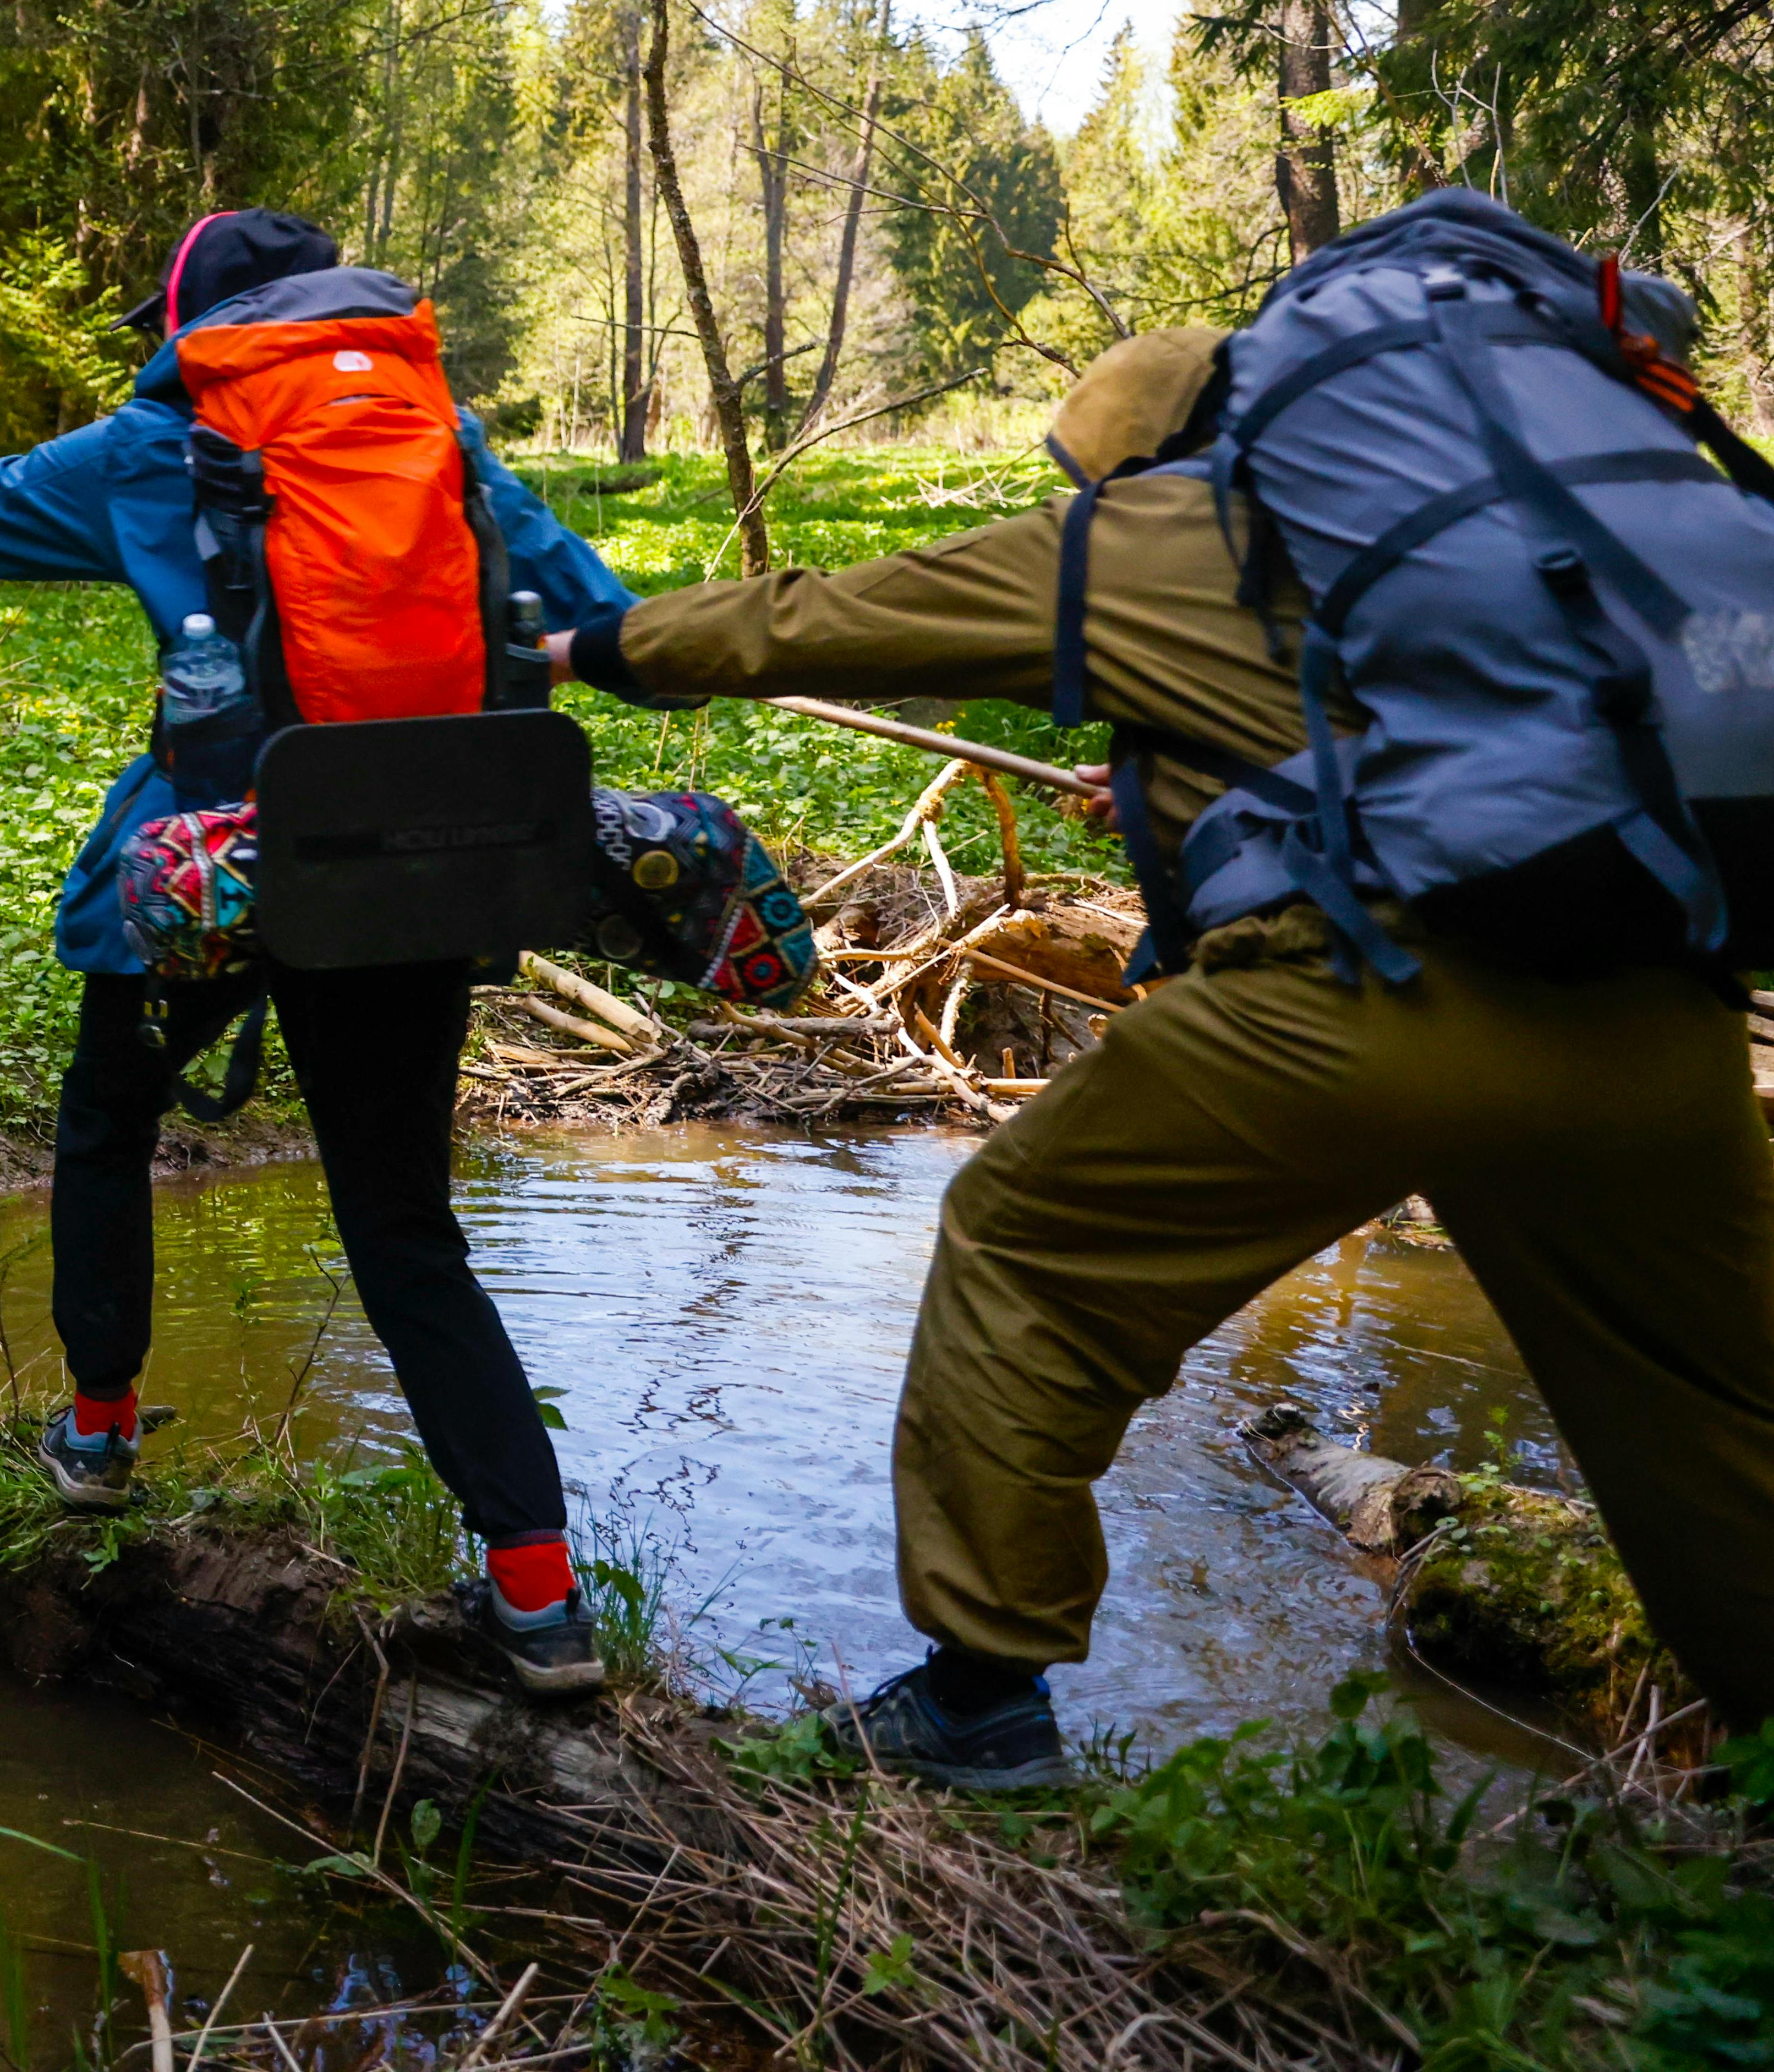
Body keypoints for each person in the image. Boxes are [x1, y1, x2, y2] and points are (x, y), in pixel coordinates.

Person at [547, 327, 1774, 1782]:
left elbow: (826, 617)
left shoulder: (1168, 526)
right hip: (1654, 1020)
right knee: (1720, 1416)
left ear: (1129, 460)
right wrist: (1166, 771)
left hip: (1369, 996)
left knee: (1019, 1249)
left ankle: (977, 1705)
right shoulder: (1458, 542)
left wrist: (594, 647)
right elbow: (1405, 756)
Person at [0, 211, 643, 1698]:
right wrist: (656, 653)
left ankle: (98, 1430)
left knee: (106, 1120)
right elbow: (599, 616)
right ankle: (538, 1594)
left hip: (213, 872)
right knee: (402, 1228)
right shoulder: (435, 432)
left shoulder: (150, 446)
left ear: (194, 322)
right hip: (420, 867)